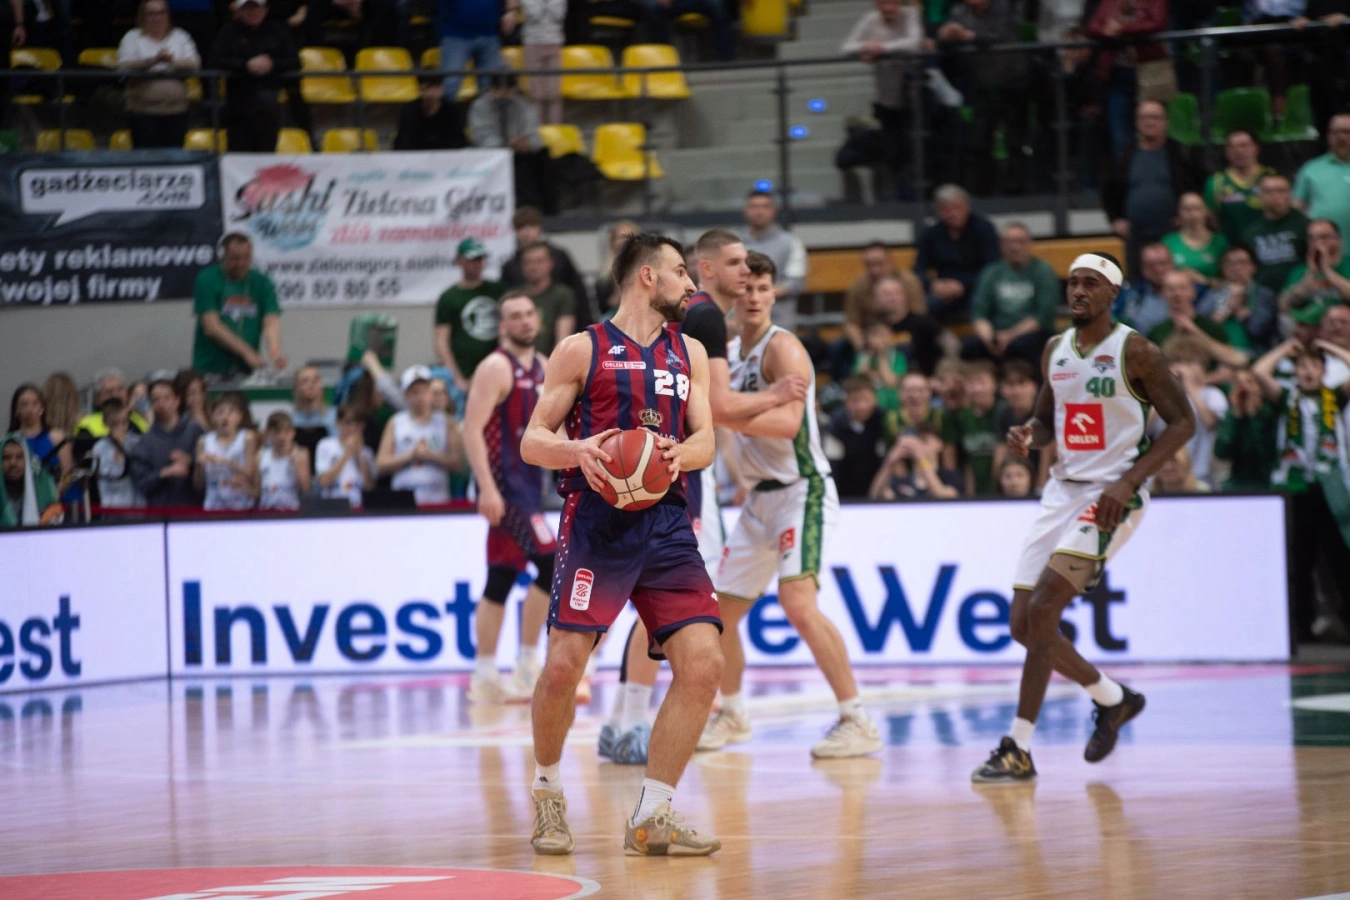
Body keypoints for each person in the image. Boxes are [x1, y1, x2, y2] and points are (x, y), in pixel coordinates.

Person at [519, 232, 723, 857]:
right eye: (681, 271)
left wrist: (677, 454)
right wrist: (575, 449)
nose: (692, 284)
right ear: (646, 276)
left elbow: (706, 442)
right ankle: (548, 793)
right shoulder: (582, 348)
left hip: (666, 524)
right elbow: (533, 440)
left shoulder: (689, 351)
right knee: (562, 668)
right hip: (596, 524)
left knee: (704, 664)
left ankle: (652, 815)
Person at [971, 251, 1196, 783]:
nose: (1078, 291)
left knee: (1044, 608)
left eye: (1090, 283)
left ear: (1113, 292)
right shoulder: (1056, 349)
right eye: (1073, 282)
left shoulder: (1136, 350)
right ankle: (1113, 698)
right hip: (1061, 493)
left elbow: (1183, 423)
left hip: (1113, 495)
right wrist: (1028, 435)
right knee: (1022, 625)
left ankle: (1018, 748)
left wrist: (1128, 481)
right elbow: (1048, 422)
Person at [594, 230, 810, 769]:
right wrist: (774, 395)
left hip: (652, 458)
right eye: (735, 263)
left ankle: (627, 719)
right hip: (679, 467)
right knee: (666, 598)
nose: (747, 272)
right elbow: (716, 407)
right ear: (706, 269)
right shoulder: (707, 316)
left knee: (653, 598)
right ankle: (632, 720)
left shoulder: (680, 318)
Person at [699, 251, 883, 760]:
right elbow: (725, 418)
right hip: (759, 499)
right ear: (732, 293)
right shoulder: (728, 353)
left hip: (803, 490)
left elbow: (788, 424)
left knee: (798, 604)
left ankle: (856, 719)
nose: (754, 297)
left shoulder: (784, 349)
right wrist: (738, 432)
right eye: (745, 288)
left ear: (775, 294)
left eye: (763, 288)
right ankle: (733, 712)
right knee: (716, 616)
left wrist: (728, 413)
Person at [461, 292, 555, 702]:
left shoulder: (545, 365)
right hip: (505, 489)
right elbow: (471, 429)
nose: (525, 321)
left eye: (530, 313)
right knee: (553, 566)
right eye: (515, 316)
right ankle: (526, 665)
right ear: (503, 326)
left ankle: (484, 676)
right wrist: (486, 487)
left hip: (531, 488)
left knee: (499, 578)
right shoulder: (495, 367)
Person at [1251, 337, 1350, 641]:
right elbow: (1259, 371)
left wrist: (1328, 347)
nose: (1308, 371)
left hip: (1330, 488)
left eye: (1314, 366)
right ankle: (1300, 627)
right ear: (1294, 371)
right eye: (1302, 366)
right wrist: (1288, 347)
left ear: (1323, 371)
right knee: (1298, 559)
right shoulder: (1286, 398)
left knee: (1341, 557)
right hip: (1295, 487)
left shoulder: (1334, 396)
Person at [1102, 101, 1201, 279]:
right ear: (1137, 122)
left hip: (1174, 235)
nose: (1150, 122)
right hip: (1136, 237)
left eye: (1155, 117)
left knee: (1173, 283)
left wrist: (1186, 216)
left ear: (1166, 122)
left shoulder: (1181, 153)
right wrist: (1115, 219)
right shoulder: (1125, 154)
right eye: (1145, 118)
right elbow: (1108, 189)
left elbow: (1199, 186)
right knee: (1137, 284)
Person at [841, 0, 923, 191]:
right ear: (877, 5)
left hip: (913, 98)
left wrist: (882, 49)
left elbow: (915, 42)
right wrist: (866, 47)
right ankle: (898, 195)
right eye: (884, 3)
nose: (889, 8)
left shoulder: (911, 14)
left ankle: (914, 196)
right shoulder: (870, 20)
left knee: (914, 150)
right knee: (892, 153)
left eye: (893, 3)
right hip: (886, 100)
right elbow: (846, 47)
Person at [209, 0, 299, 153]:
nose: (252, 12)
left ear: (265, 9)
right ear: (239, 11)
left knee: (266, 139)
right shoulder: (228, 32)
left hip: (268, 96)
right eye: (247, 8)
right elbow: (215, 61)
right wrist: (245, 65)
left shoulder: (278, 31)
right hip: (237, 100)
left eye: (257, 7)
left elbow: (294, 62)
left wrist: (272, 64)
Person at [965, 222, 1061, 365]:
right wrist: (988, 339)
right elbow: (979, 313)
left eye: (1020, 242)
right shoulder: (991, 272)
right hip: (997, 333)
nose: (1014, 247)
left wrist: (1010, 335)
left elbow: (1042, 316)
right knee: (968, 348)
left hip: (1032, 334)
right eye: (1009, 242)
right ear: (1001, 245)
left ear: (1029, 244)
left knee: (1018, 347)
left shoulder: (1043, 271)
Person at [194, 233, 286, 378]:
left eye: (246, 258)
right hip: (211, 366)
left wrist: (275, 353)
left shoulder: (262, 282)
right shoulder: (207, 279)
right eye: (235, 258)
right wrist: (247, 353)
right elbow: (211, 326)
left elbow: (271, 322)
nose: (241, 263)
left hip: (247, 369)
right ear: (223, 256)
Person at [468, 74, 556, 214]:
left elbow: (534, 135)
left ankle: (545, 211)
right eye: (498, 90)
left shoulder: (523, 105)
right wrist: (506, 144)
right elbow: (480, 137)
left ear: (514, 90)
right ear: (491, 89)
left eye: (508, 91)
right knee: (514, 164)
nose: (503, 95)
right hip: (491, 156)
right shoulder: (480, 106)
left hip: (519, 154)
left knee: (542, 157)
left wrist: (528, 144)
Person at [117, 0, 200, 149]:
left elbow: (195, 63)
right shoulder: (132, 37)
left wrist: (171, 61)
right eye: (151, 13)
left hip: (177, 112)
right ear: (142, 16)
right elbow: (124, 65)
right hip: (142, 112)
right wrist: (152, 61)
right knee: (146, 157)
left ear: (168, 15)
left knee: (175, 156)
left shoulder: (180, 36)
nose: (157, 18)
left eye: (161, 13)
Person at [913, 183, 1000, 324]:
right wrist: (933, 285)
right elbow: (918, 268)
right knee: (921, 309)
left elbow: (992, 269)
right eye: (947, 210)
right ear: (939, 211)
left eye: (958, 208)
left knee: (986, 306)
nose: (953, 214)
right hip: (943, 292)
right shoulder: (931, 234)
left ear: (967, 207)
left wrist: (962, 286)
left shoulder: (984, 229)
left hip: (976, 289)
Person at [376, 365, 463, 505]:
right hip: (403, 500)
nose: (420, 397)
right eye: (414, 392)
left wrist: (430, 455)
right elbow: (381, 464)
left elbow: (458, 463)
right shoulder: (396, 422)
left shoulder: (447, 422)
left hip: (437, 500)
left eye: (424, 391)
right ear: (406, 395)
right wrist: (410, 456)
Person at [501, 206, 596, 329]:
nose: (526, 233)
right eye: (521, 228)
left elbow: (579, 291)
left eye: (531, 226)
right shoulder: (510, 266)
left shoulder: (559, 256)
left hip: (562, 315)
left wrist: (587, 325)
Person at [435, 237, 507, 394]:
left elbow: (507, 333)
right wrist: (456, 377)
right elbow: (441, 341)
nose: (477, 263)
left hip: (496, 370)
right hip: (462, 372)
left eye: (480, 259)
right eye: (472, 259)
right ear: (459, 261)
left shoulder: (498, 291)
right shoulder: (449, 297)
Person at [1159, 336, 1229, 490]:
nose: (1182, 368)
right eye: (1177, 362)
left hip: (1202, 477)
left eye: (1189, 363)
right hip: (1163, 479)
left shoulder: (1211, 394)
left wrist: (1190, 387)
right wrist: (1167, 389)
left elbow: (1211, 422)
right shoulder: (1160, 396)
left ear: (1202, 367)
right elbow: (1145, 427)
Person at [128, 375, 205, 507]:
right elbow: (141, 484)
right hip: (160, 512)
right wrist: (164, 473)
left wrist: (192, 462)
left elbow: (211, 470)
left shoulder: (195, 432)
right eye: (156, 399)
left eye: (166, 398)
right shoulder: (144, 442)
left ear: (177, 400)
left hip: (193, 511)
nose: (161, 404)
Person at [1147, 271, 1250, 367]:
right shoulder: (1156, 332)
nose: (1177, 294)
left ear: (1193, 292)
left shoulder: (1211, 327)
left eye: (1182, 288)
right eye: (1171, 289)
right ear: (1163, 294)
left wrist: (1195, 331)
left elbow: (1236, 360)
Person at [741, 190, 809, 330]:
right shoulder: (735, 243)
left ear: (774, 211)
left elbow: (795, 283)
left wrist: (758, 293)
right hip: (740, 320)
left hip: (779, 321)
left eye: (765, 207)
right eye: (754, 207)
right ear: (745, 211)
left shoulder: (791, 242)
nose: (759, 212)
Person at [1197, 244, 1280, 353]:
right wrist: (1226, 309)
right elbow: (1200, 324)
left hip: (1255, 353)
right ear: (1223, 268)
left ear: (1253, 267)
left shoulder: (1264, 295)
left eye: (1242, 263)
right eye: (1230, 264)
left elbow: (1261, 331)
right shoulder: (1214, 292)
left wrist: (1240, 311)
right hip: (1219, 352)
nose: (1237, 268)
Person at [1203, 130, 1277, 245]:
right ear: (1226, 151)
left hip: (1270, 246)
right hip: (1233, 249)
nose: (1239, 151)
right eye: (1232, 147)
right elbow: (1211, 220)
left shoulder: (1271, 176)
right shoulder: (1216, 182)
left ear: (1256, 148)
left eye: (1244, 145)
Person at [1241, 173, 1310, 295]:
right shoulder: (1251, 231)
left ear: (1290, 194)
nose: (1275, 196)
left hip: (1298, 292)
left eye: (1281, 191)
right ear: (1260, 195)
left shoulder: (1305, 225)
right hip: (1262, 294)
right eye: (1269, 191)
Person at [941, 360, 1003, 496]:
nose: (977, 389)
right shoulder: (963, 416)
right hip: (975, 491)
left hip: (1003, 490)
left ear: (994, 385)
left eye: (981, 382)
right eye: (972, 383)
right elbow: (968, 461)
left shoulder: (1002, 411)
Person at [1214, 367, 1279, 491]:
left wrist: (1253, 416)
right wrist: (1236, 415)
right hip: (1238, 481)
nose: (1244, 388)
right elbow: (1221, 453)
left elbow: (1265, 454)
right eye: (1238, 383)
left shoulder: (1271, 414)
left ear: (1260, 388)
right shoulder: (1233, 415)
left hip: (1267, 482)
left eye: (1249, 382)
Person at [826, 375, 890, 499]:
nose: (861, 406)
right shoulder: (837, 424)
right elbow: (833, 465)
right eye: (855, 400)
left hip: (879, 492)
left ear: (875, 399)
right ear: (846, 402)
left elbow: (887, 459)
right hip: (846, 493)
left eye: (866, 399)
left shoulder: (884, 421)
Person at [195, 391, 259, 511]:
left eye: (231, 412)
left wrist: (227, 462)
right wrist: (199, 466)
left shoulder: (247, 438)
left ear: (239, 417)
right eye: (220, 412)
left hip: (241, 505)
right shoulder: (204, 441)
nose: (225, 417)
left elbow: (250, 473)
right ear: (212, 417)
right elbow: (199, 485)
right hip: (214, 505)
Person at [438, 0, 510, 102]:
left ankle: (483, 113)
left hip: (490, 34)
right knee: (450, 85)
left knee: (489, 89)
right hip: (455, 35)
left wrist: (507, 11)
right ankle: (446, 112)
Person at [1294, 113, 1350, 242]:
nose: (1341, 137)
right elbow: (1297, 207)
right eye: (1336, 132)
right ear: (1328, 136)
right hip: (1322, 247)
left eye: (1347, 132)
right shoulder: (1310, 168)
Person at [869, 423, 963, 500]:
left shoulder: (950, 477)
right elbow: (875, 496)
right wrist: (889, 462)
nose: (919, 445)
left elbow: (943, 497)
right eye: (917, 441)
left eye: (924, 441)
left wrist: (922, 459)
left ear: (939, 444)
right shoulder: (902, 481)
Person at [515, 241, 576, 357]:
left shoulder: (562, 295)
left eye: (539, 261)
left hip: (552, 361)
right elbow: (506, 338)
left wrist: (549, 366)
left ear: (550, 263)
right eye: (528, 262)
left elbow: (562, 341)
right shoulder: (514, 297)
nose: (533, 267)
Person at [7, 383, 70, 489]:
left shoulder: (57, 438)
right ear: (16, 410)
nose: (29, 409)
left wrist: (55, 492)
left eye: (34, 404)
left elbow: (68, 472)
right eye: (24, 405)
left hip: (56, 494)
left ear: (42, 408)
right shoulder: (9, 441)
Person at [1280, 219, 1350, 312]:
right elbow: (1284, 305)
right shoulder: (1300, 270)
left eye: (1324, 237)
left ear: (1338, 240)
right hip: (1307, 320)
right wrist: (1311, 273)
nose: (1317, 243)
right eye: (1312, 239)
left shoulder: (1347, 264)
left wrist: (1327, 270)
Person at [315, 404, 376, 508]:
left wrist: (359, 456)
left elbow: (369, 487)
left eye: (357, 424)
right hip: (333, 505)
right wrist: (346, 454)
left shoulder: (367, 452)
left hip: (359, 506)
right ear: (338, 423)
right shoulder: (325, 445)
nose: (352, 428)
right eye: (347, 423)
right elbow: (324, 482)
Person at [1162, 192, 1228, 287]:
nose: (1193, 214)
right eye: (1187, 209)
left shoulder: (1220, 241)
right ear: (1179, 212)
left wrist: (1204, 280)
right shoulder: (1168, 242)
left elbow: (1228, 282)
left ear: (1206, 211)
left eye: (1197, 208)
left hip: (1213, 293)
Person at [90, 398, 144, 509]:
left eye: (124, 422)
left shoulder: (137, 442)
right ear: (105, 423)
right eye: (115, 424)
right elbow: (113, 477)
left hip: (137, 508)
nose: (121, 428)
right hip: (113, 508)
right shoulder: (99, 448)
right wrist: (119, 448)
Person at [1112, 241, 1173, 336]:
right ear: (1142, 268)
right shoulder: (1130, 294)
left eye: (1163, 263)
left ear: (1172, 264)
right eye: (1151, 265)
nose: (1158, 269)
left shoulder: (1192, 291)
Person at [0, 433, 60, 528]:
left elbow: (56, 511)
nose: (13, 463)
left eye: (19, 457)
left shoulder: (42, 487)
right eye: (7, 458)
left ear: (27, 461)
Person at [394, 75, 468, 150]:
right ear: (419, 89)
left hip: (445, 154)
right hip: (416, 155)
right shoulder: (409, 110)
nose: (430, 93)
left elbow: (458, 141)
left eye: (435, 88)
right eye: (426, 88)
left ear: (442, 88)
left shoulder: (452, 110)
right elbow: (403, 142)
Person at [520, 0, 563, 124]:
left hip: (554, 42)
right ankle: (536, 129)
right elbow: (534, 14)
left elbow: (558, 14)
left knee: (554, 93)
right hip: (533, 43)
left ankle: (555, 129)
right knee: (536, 93)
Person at [75, 368, 149, 438]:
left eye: (119, 390)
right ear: (97, 398)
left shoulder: (138, 421)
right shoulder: (87, 426)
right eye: (108, 392)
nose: (115, 395)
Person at [258, 411, 310, 510]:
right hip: (266, 512)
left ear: (293, 433)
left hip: (292, 512)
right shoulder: (261, 456)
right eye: (276, 432)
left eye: (286, 432)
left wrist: (296, 464)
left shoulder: (301, 454)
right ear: (268, 433)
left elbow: (306, 489)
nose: (281, 437)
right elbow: (256, 492)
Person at [595, 219, 640, 316]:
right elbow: (602, 306)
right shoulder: (605, 277)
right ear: (612, 242)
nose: (625, 241)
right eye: (620, 238)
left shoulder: (648, 269)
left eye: (629, 237)